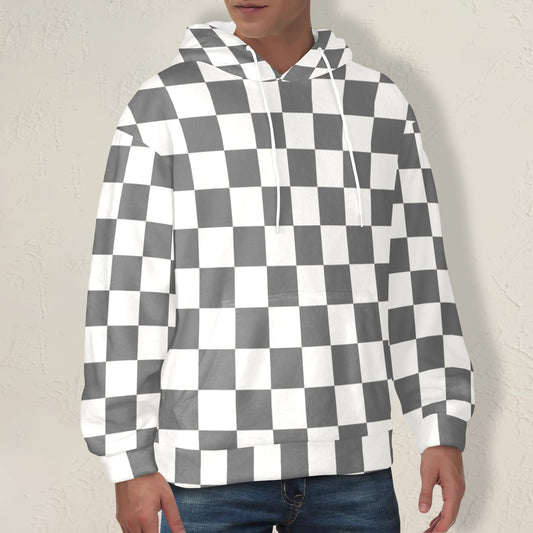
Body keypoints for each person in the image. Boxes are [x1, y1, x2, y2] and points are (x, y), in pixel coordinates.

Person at [80, 1, 476, 532]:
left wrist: (441, 425)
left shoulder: (379, 105)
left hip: (352, 468)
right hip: (206, 473)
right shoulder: (164, 106)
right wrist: (127, 459)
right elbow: (126, 289)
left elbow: (417, 275)